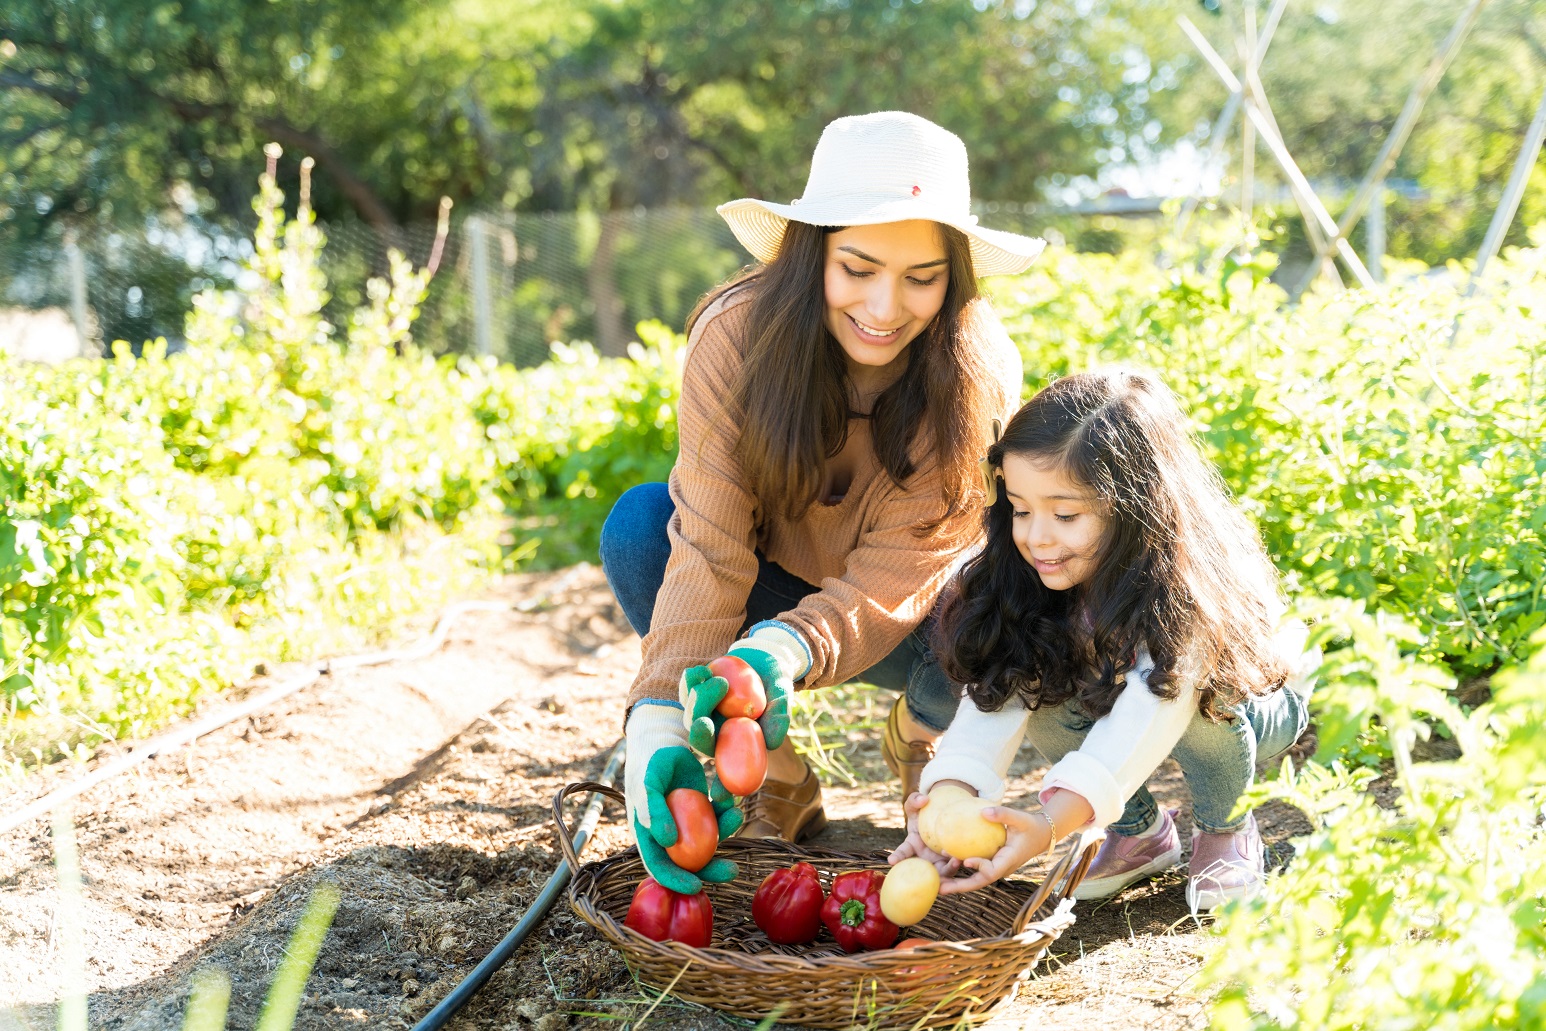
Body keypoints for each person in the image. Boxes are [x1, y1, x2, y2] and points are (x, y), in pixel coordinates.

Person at [603, 111, 1046, 895]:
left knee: (1000, 584)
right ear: (815, 253)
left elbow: (907, 563)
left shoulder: (976, 372)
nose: (885, 305)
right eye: (859, 266)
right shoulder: (735, 337)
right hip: (768, 580)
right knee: (641, 530)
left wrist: (784, 649)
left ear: (954, 276)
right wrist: (660, 716)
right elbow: (709, 540)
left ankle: (922, 729)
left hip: (907, 616)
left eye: (921, 277)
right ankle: (771, 769)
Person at [888, 369, 1317, 910]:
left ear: (1135, 509)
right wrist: (949, 797)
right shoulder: (1029, 577)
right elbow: (997, 696)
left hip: (1249, 706)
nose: (1036, 535)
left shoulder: (1183, 591)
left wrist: (1048, 825)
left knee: (1204, 701)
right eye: (1021, 509)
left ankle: (1225, 826)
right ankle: (1139, 833)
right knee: (1041, 686)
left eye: (1065, 514)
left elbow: (1156, 703)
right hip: (1118, 690)